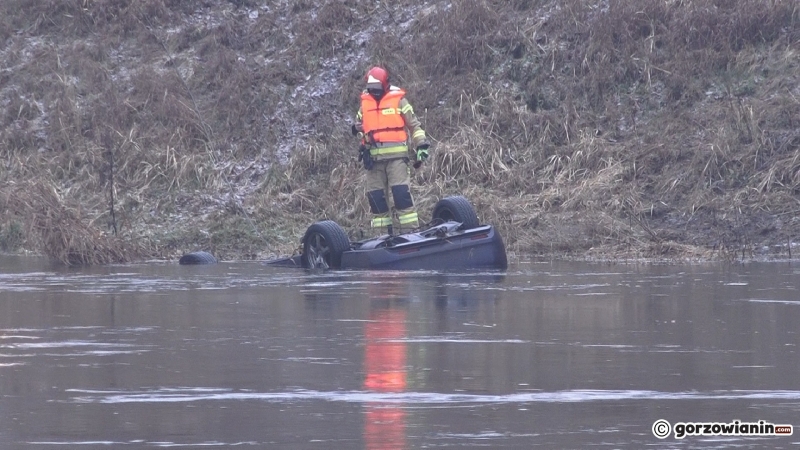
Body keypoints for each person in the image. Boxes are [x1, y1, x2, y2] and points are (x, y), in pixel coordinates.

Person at [352, 66, 430, 235]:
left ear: (385, 85)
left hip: (397, 160)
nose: (374, 92)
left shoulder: (399, 100)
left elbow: (414, 125)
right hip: (373, 161)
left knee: (402, 197)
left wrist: (421, 144)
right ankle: (382, 240)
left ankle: (412, 236)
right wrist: (355, 128)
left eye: (377, 88)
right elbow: (358, 124)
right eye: (371, 89)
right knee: (377, 202)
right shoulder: (365, 103)